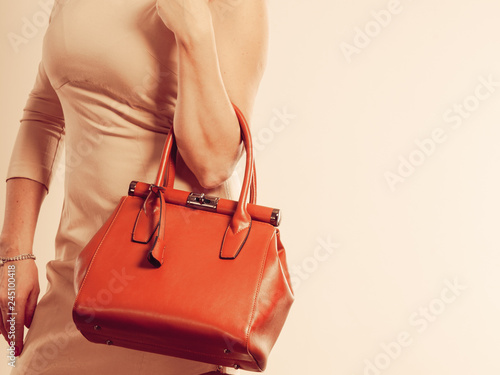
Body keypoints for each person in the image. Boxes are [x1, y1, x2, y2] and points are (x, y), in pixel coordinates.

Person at [0, 0, 268, 373]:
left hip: (171, 295)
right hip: (74, 282)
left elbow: (213, 164)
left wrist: (194, 32)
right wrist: (13, 254)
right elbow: (44, 114)